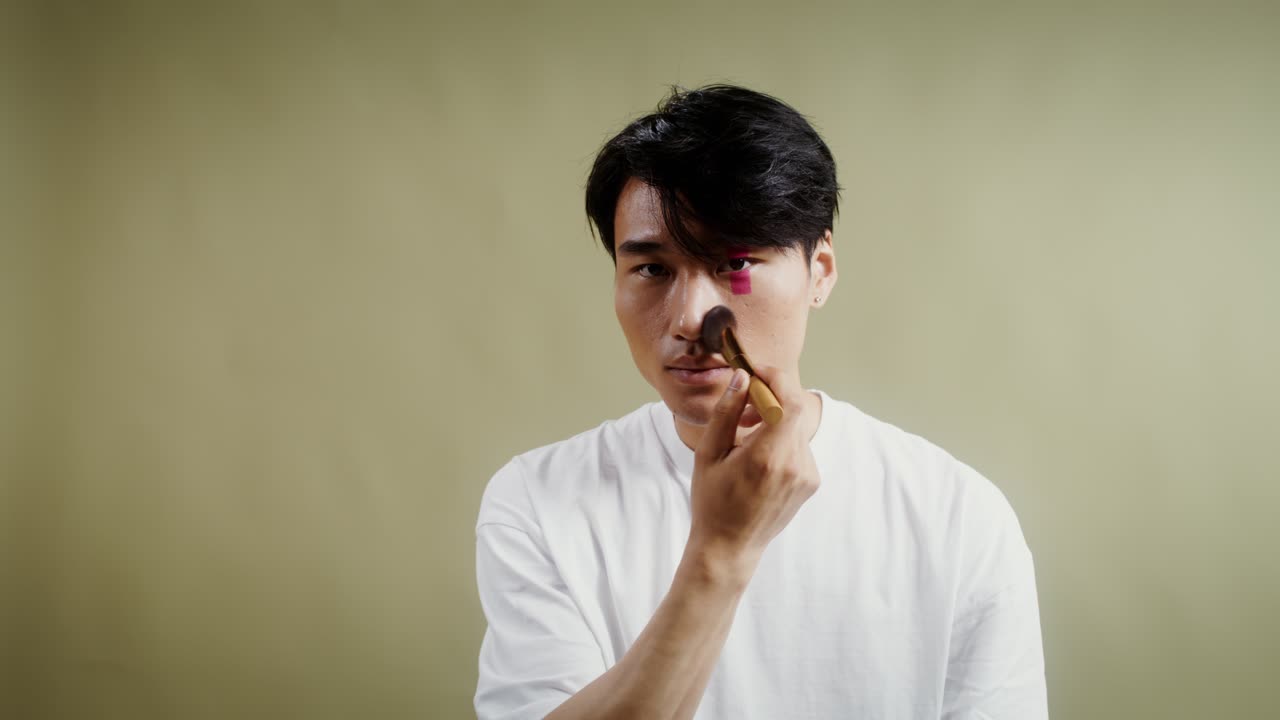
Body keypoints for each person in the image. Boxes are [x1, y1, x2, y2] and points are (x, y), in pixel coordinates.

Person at [473, 84, 1048, 720]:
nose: (693, 317)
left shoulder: (956, 514)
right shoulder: (536, 501)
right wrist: (721, 551)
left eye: (737, 262)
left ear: (820, 270)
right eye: (653, 269)